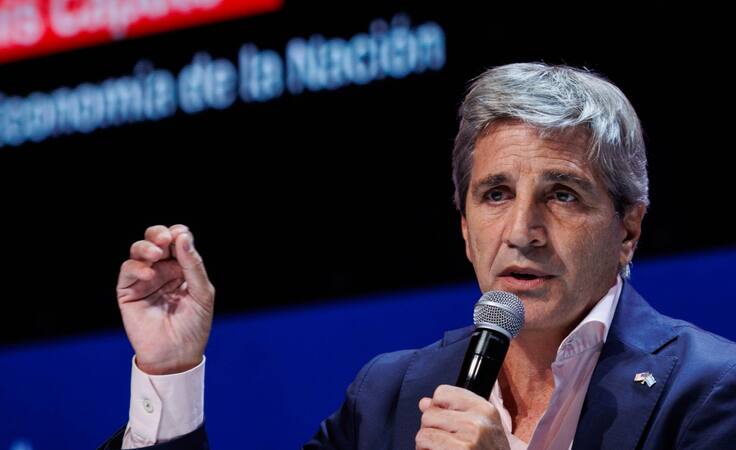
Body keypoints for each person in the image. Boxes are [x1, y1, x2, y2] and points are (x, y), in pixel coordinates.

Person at [98, 63, 736, 450]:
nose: (523, 231)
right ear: (464, 229)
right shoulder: (388, 394)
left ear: (628, 229)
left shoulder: (709, 391)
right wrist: (169, 373)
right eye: (495, 194)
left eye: (562, 194)